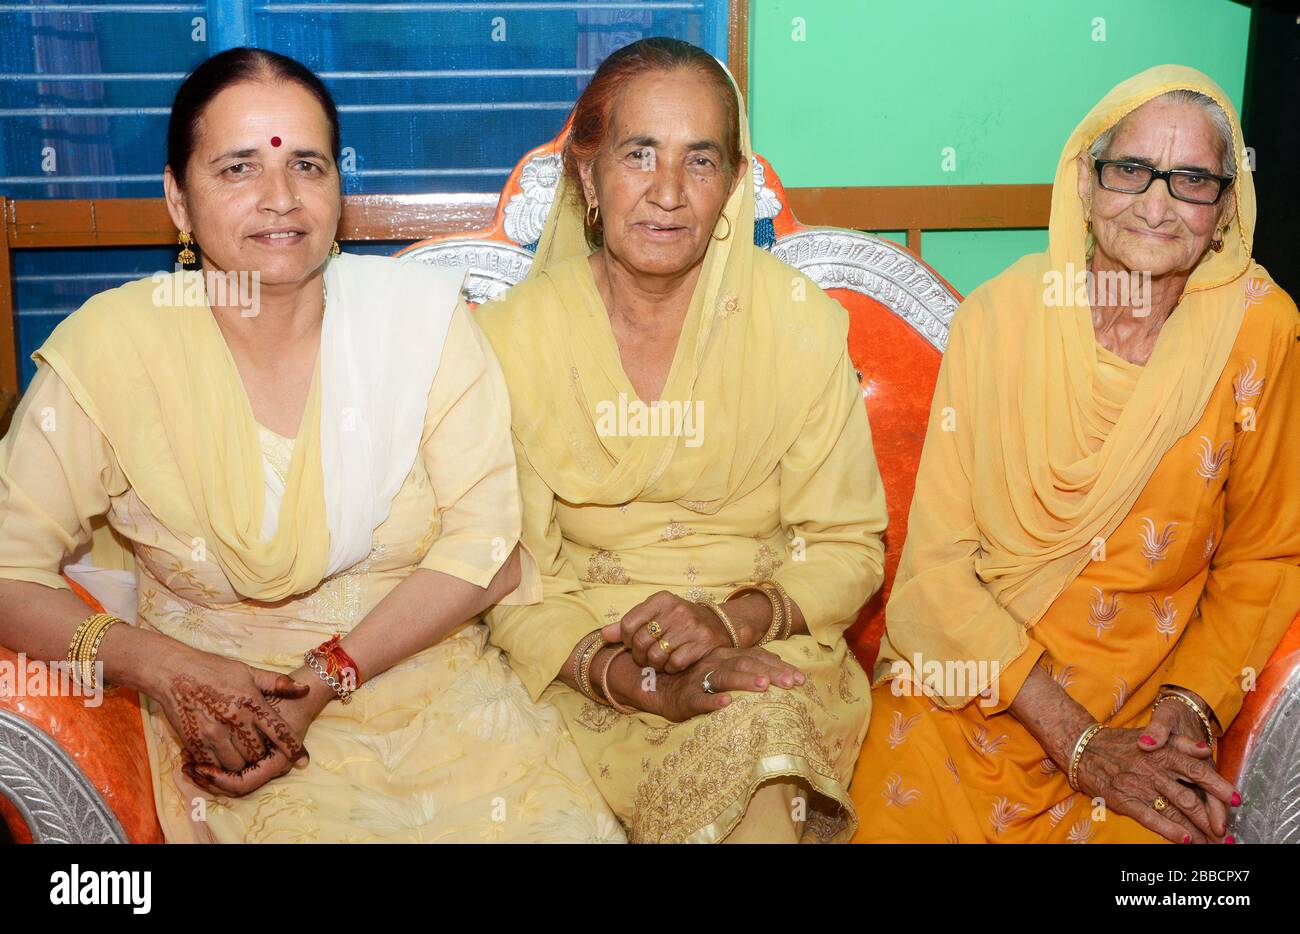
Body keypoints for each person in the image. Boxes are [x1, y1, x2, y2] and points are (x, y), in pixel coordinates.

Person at [0, 47, 623, 843]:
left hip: (430, 695)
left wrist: (329, 675)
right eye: (236, 169)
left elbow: (489, 546)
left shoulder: (417, 325)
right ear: (177, 201)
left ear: (339, 188)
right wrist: (161, 668)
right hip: (226, 721)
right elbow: (9, 570)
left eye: (308, 165)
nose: (280, 199)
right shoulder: (113, 352)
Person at [849, 65, 1299, 844]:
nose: (1156, 205)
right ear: (1086, 188)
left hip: (1144, 713)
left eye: (1190, 180)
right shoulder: (1001, 319)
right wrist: (1075, 740)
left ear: (1225, 209)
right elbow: (938, 569)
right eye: (1130, 171)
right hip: (975, 688)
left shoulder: (1259, 330)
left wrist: (1186, 709)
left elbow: (1264, 556)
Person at [477, 37, 887, 843]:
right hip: (581, 668)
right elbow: (504, 578)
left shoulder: (795, 324)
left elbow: (848, 546)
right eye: (639, 154)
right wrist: (638, 679)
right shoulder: (513, 340)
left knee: (760, 744)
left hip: (764, 652)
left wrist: (728, 625)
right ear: (587, 175)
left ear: (734, 185)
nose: (668, 193)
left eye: (700, 162)